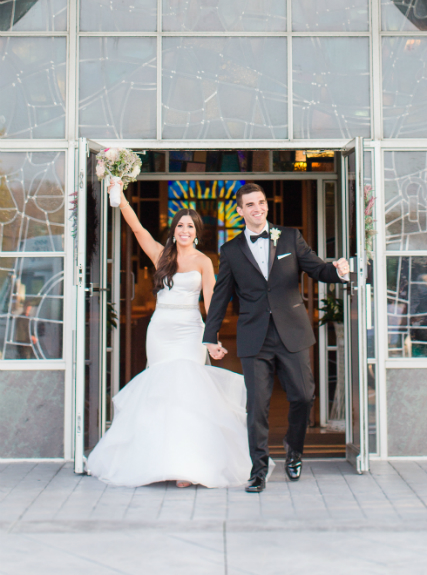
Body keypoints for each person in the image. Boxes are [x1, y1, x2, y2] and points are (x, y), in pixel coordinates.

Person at [87, 184, 252, 488]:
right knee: (161, 393)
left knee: (188, 393)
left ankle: (187, 465)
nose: (185, 230)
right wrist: (120, 197)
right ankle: (159, 461)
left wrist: (212, 339)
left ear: (197, 232)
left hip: (190, 330)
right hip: (161, 330)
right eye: (180, 225)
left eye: (190, 226)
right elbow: (137, 229)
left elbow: (212, 302)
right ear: (174, 230)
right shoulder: (161, 255)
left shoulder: (204, 262)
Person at [203, 183, 349, 493]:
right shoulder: (230, 250)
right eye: (250, 204)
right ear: (240, 211)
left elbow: (317, 269)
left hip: (292, 331)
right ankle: (259, 469)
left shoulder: (291, 236)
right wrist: (210, 334)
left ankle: (294, 452)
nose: (258, 208)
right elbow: (221, 295)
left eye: (261, 202)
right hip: (254, 336)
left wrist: (339, 271)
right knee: (257, 405)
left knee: (303, 396)